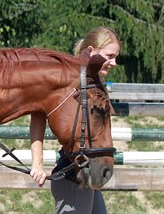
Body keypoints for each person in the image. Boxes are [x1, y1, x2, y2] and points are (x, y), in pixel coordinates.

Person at [29, 26, 121, 213]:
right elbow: (37, 113)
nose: (114, 62)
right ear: (90, 51)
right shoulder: (66, 79)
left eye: (115, 57)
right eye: (109, 56)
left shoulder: (92, 80)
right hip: (72, 180)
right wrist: (37, 163)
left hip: (86, 174)